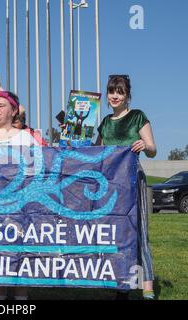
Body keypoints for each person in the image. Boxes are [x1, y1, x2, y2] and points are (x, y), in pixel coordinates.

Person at [0, 91, 45, 300]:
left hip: (20, 206)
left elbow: (44, 166)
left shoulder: (28, 137)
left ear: (14, 111)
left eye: (1, 105)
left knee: (20, 253)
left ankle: (21, 299)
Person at [96, 74, 156, 300]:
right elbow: (96, 153)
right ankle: (122, 286)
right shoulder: (104, 123)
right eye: (112, 91)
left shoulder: (138, 117)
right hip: (111, 183)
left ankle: (147, 287)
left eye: (119, 92)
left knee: (139, 230)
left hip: (132, 180)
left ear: (127, 95)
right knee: (117, 234)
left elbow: (152, 149)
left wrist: (145, 144)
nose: (114, 96)